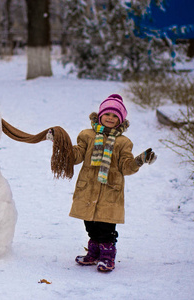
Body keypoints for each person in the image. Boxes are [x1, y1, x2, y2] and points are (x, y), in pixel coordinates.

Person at [48, 94, 156, 272]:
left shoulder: (123, 142)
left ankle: (107, 256)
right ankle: (94, 253)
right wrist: (60, 143)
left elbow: (126, 167)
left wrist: (139, 161)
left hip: (109, 191)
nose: (110, 118)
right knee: (90, 225)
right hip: (88, 189)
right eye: (107, 114)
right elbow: (76, 156)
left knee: (106, 227)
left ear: (120, 120)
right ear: (100, 115)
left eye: (115, 116)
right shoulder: (87, 136)